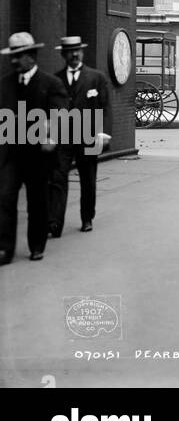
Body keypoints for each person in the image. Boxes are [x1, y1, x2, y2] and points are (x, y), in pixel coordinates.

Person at [0, 33, 66, 262]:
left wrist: (52, 137)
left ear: (31, 56)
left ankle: (37, 245)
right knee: (5, 197)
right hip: (10, 155)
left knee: (37, 201)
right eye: (13, 57)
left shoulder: (51, 84)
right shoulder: (4, 84)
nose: (14, 61)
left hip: (39, 156)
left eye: (18, 56)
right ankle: (4, 248)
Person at [48, 36, 112, 236]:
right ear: (63, 54)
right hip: (63, 137)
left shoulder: (96, 78)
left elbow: (105, 107)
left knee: (88, 178)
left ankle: (87, 218)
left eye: (78, 51)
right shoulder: (55, 79)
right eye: (70, 51)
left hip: (88, 135)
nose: (74, 54)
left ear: (82, 53)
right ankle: (55, 222)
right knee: (58, 178)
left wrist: (103, 133)